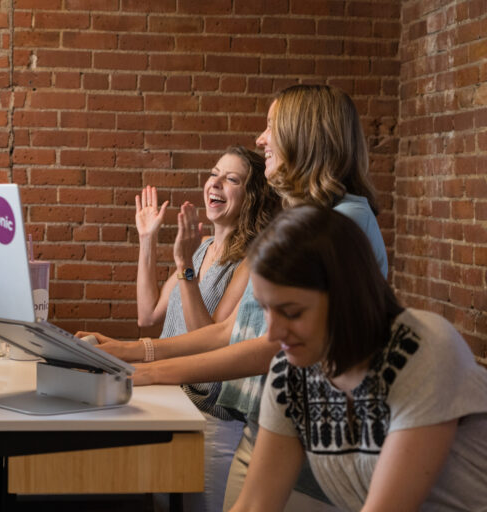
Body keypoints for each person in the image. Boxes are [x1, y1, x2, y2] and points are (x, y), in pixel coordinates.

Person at [80, 84, 388, 511]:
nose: (262, 140)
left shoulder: (343, 222)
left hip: (318, 454)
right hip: (271, 430)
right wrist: (129, 351)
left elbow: (270, 346)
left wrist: (144, 372)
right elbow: (233, 330)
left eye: (270, 127)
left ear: (305, 136)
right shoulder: (304, 220)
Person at [230, 205, 487, 512]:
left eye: (292, 312)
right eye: (265, 309)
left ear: (346, 296)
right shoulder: (291, 375)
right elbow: (254, 505)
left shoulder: (421, 348)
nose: (273, 333)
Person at [133, 147, 280, 512]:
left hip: (210, 421)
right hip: (170, 403)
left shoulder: (251, 260)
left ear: (252, 196)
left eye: (231, 179)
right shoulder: (201, 249)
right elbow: (148, 313)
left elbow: (212, 342)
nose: (214, 183)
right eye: (214, 174)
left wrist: (184, 268)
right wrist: (148, 240)